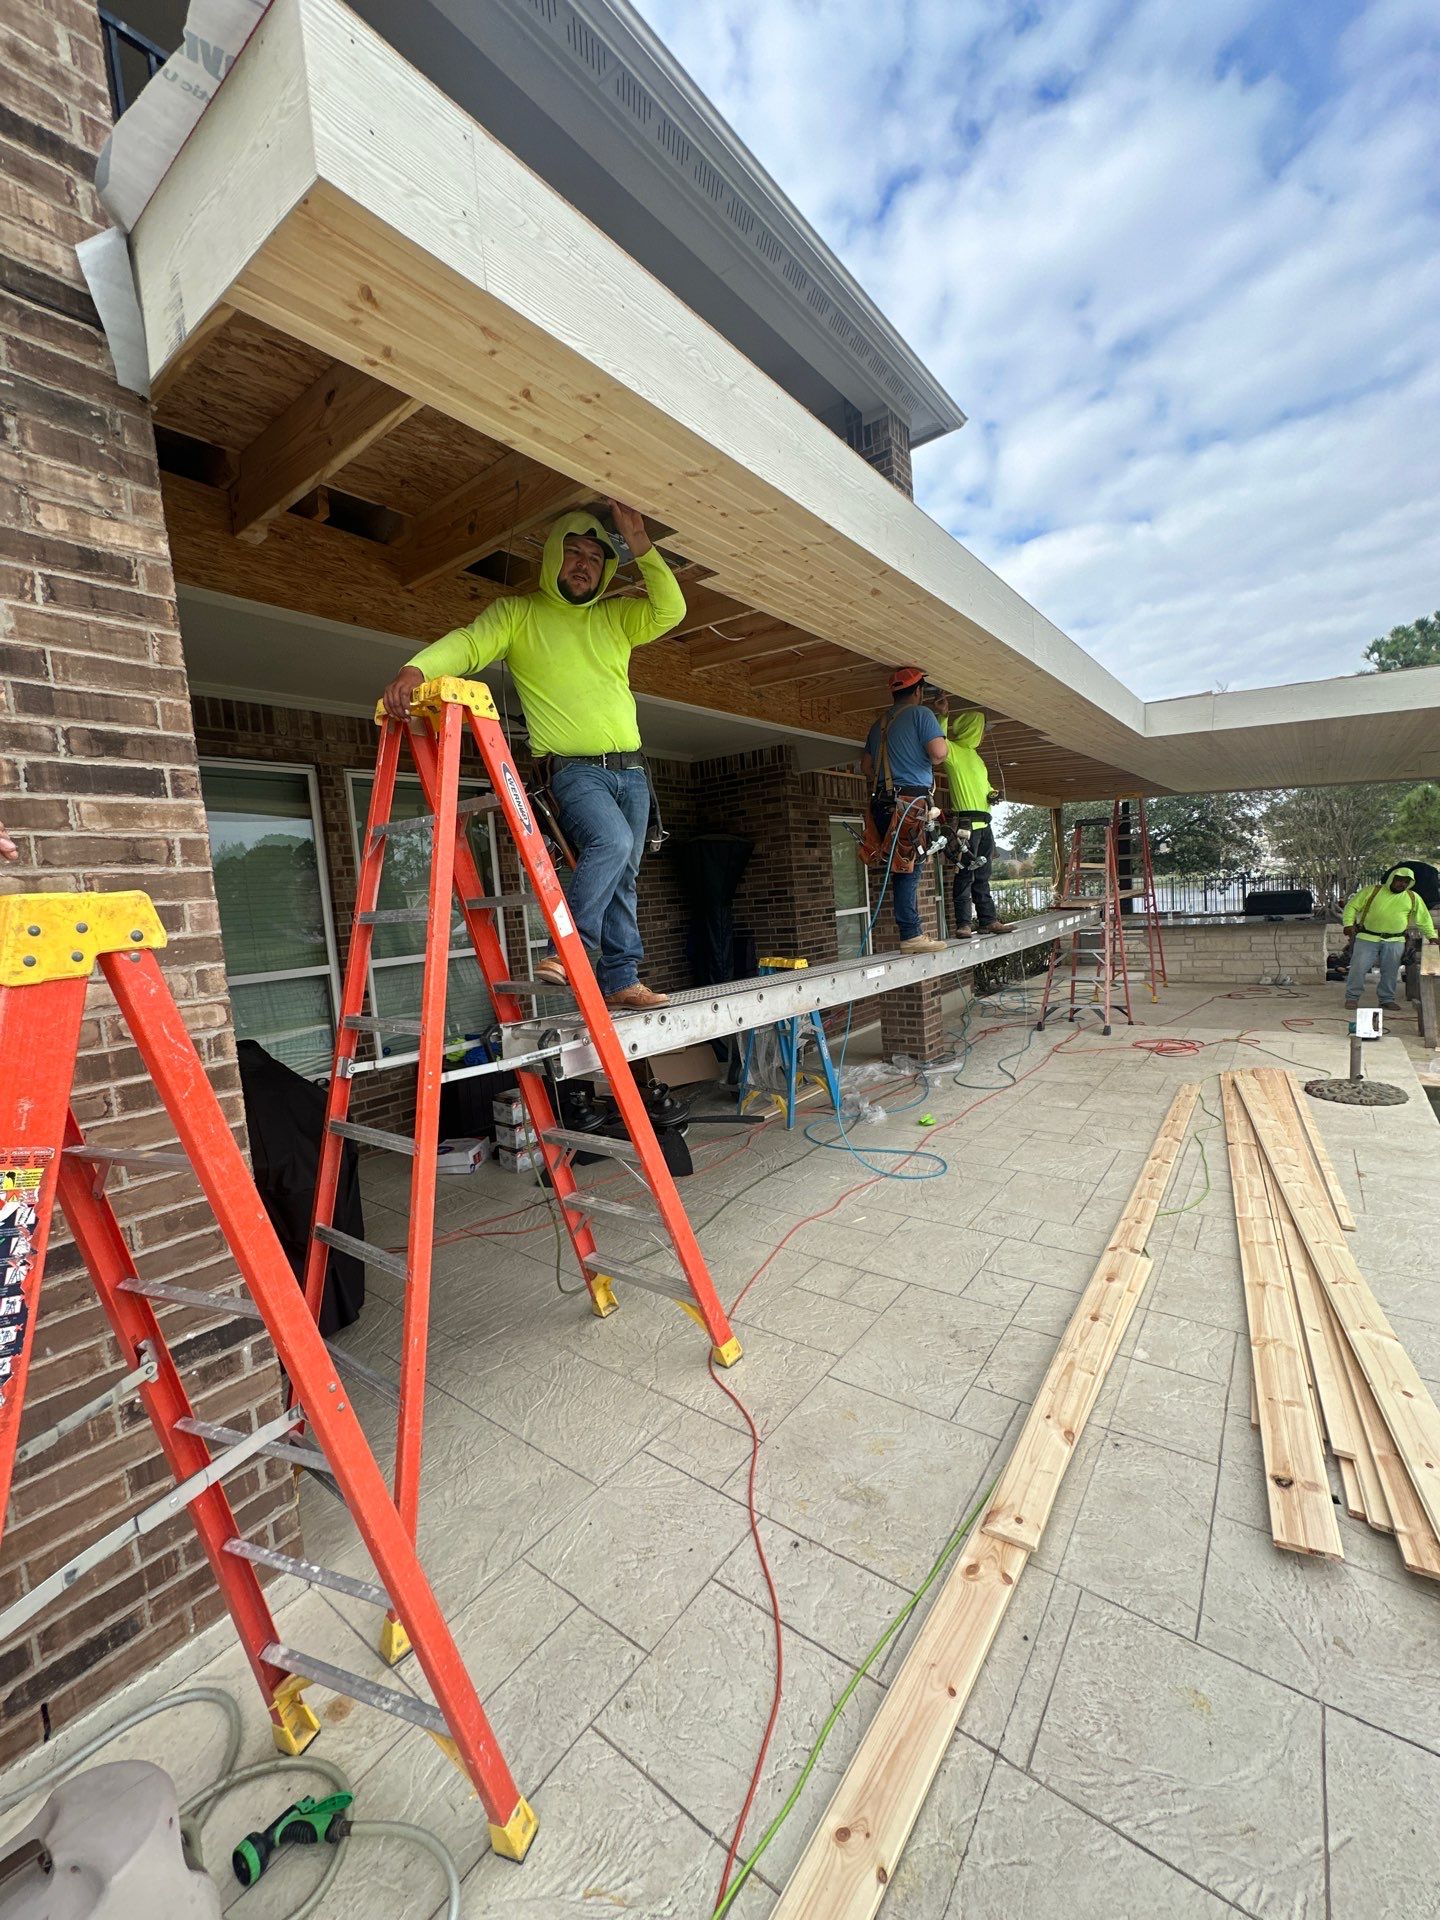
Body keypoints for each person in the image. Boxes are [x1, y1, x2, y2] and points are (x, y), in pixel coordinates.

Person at [381, 503, 681, 1011]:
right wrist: (416, 670)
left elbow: (670, 610)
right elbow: (471, 642)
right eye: (574, 552)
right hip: (575, 770)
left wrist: (638, 540)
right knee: (610, 843)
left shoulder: (616, 617)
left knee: (623, 869)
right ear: (552, 559)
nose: (584, 564)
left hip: (632, 770)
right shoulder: (518, 614)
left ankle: (622, 977)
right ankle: (569, 951)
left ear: (606, 569)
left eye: (595, 557)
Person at [859, 666, 948, 954]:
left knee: (902, 865)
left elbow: (867, 768)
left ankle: (911, 931)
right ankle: (911, 935)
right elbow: (938, 754)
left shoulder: (879, 724)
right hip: (910, 803)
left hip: (884, 803)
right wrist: (938, 723)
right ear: (919, 691)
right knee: (909, 866)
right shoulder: (922, 715)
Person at [929, 696, 1013, 940]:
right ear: (972, 730)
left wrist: (993, 795)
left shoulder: (977, 759)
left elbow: (984, 789)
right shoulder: (954, 751)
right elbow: (940, 743)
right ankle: (964, 924)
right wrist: (943, 715)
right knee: (966, 873)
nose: (982, 736)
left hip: (985, 825)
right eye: (980, 730)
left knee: (983, 875)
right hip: (967, 826)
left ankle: (988, 921)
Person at [1341, 865, 1438, 1010]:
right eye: (1399, 880)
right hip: (1367, 937)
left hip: (1395, 940)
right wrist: (1348, 924)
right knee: (1358, 968)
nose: (1402, 884)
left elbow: (1423, 919)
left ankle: (1386, 999)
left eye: (1406, 882)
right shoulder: (1372, 891)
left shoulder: (1412, 897)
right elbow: (1351, 906)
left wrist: (1431, 936)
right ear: (1392, 878)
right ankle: (1352, 997)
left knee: (1391, 971)